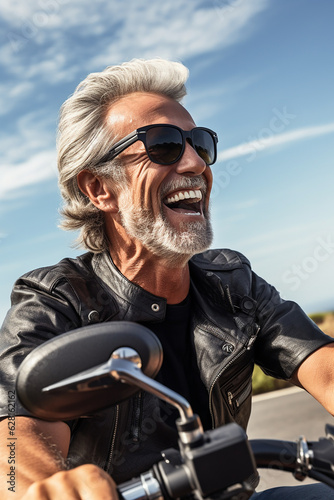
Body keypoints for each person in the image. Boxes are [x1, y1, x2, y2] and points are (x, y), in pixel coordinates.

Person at [0, 58, 333, 500]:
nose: (196, 163)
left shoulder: (232, 283)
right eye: (163, 145)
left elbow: (322, 366)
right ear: (99, 188)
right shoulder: (54, 300)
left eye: (201, 143)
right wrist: (44, 486)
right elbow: (15, 432)